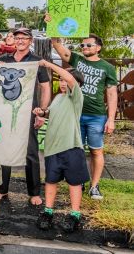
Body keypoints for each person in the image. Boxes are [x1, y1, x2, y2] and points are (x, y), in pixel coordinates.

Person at [49, 30, 118, 200]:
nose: (85, 47)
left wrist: (111, 119)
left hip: (96, 115)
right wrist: (53, 27)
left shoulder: (107, 67)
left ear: (98, 48)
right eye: (82, 45)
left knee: (96, 151)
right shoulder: (77, 59)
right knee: (76, 151)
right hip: (74, 115)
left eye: (89, 45)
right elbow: (59, 47)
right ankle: (78, 182)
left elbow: (111, 94)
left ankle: (94, 186)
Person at [0, 27, 51, 206]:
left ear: (30, 41)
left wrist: (42, 111)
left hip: (29, 112)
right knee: (4, 152)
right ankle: (2, 190)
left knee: (31, 153)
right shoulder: (4, 59)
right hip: (5, 112)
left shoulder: (36, 61)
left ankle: (34, 192)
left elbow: (46, 87)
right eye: (17, 38)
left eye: (24, 38)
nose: (20, 41)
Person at [34, 60, 89, 233]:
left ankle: (75, 215)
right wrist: (41, 113)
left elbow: (70, 79)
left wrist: (49, 65)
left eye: (66, 80)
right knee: (50, 181)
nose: (63, 83)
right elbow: (49, 112)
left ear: (77, 84)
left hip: (71, 147)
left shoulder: (76, 96)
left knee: (74, 183)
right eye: (62, 81)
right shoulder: (58, 98)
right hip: (52, 148)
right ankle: (48, 212)